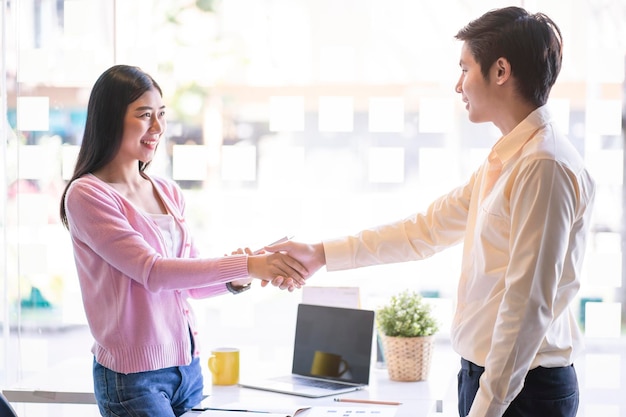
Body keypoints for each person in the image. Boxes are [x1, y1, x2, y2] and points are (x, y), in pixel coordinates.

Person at [267, 6, 595, 417]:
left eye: (464, 69)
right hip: (488, 379)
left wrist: (487, 408)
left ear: (500, 71)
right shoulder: (508, 159)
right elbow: (422, 231)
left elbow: (527, 306)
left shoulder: (543, 166)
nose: (458, 85)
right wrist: (320, 253)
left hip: (520, 391)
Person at [59, 64, 308, 417]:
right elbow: (154, 273)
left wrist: (242, 276)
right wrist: (250, 264)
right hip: (133, 379)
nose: (157, 128)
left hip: (187, 370)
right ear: (110, 119)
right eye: (145, 116)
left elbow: (185, 285)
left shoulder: (167, 191)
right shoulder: (87, 195)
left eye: (161, 115)